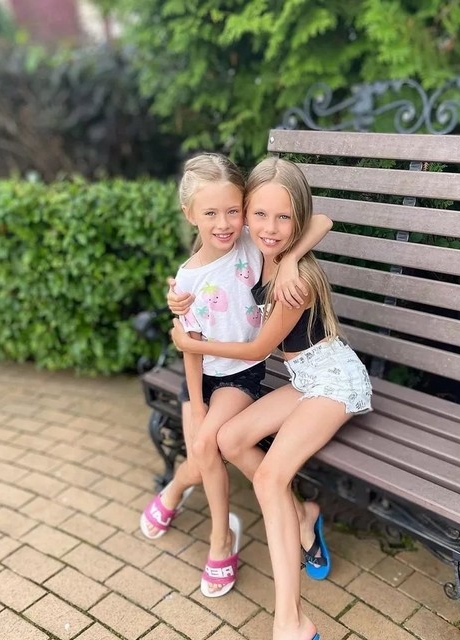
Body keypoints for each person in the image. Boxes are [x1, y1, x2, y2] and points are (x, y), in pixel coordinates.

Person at [170, 157, 372, 640]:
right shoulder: (257, 250)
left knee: (269, 478)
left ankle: (290, 624)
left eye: (284, 219)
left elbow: (259, 349)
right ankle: (303, 516)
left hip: (334, 381)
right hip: (304, 378)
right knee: (231, 438)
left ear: (294, 218)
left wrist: (190, 344)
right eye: (259, 214)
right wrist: (180, 303)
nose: (269, 227)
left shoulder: (293, 280)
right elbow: (321, 220)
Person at [140, 152, 331, 601]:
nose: (224, 223)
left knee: (207, 443)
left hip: (240, 375)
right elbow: (189, 346)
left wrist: (291, 259)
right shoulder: (187, 279)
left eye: (233, 210)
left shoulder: (251, 240)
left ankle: (220, 540)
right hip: (202, 376)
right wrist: (195, 404)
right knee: (200, 447)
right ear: (190, 214)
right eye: (211, 213)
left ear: (244, 209)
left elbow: (320, 220)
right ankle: (174, 492)